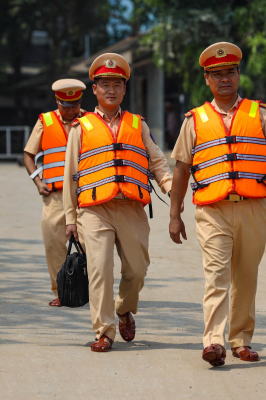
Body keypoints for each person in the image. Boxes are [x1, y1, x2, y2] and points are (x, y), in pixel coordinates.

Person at [168, 42, 266, 367]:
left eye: (230, 72)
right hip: (212, 211)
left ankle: (240, 341)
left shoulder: (261, 113)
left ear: (238, 74)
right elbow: (181, 169)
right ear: (207, 80)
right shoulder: (194, 121)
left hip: (253, 208)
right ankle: (213, 342)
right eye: (217, 74)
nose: (224, 79)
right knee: (217, 274)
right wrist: (174, 215)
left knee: (246, 274)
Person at [63, 53, 173, 352]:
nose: (111, 89)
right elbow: (71, 175)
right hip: (94, 211)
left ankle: (124, 308)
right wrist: (70, 219)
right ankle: (104, 331)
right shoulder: (79, 128)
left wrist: (170, 186)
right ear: (94, 89)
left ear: (125, 89)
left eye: (117, 84)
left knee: (137, 271)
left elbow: (158, 161)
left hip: (132, 209)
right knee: (99, 270)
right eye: (104, 84)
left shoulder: (138, 125)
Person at [24, 79, 86, 307]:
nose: (70, 110)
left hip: (85, 195)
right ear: (57, 101)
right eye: (65, 105)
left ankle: (91, 289)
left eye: (74, 104)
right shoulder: (45, 121)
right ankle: (62, 291)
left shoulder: (90, 121)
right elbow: (28, 156)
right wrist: (37, 182)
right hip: (55, 196)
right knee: (54, 243)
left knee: (91, 243)